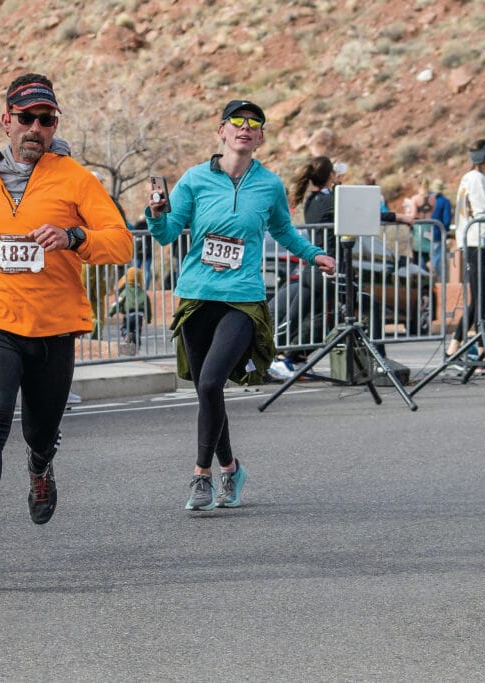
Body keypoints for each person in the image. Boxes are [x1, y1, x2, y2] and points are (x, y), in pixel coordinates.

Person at [0, 73, 133, 582]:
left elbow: (120, 242)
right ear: (6, 120)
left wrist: (73, 236)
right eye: (25, 118)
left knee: (39, 431)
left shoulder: (75, 178)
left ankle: (41, 466)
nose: (35, 128)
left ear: (54, 126)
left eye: (45, 120)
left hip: (53, 328)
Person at [145, 100, 336, 511]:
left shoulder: (268, 185)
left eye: (254, 124)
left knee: (212, 383)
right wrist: (157, 214)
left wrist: (314, 254)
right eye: (237, 121)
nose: (245, 128)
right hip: (197, 296)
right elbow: (166, 234)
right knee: (206, 392)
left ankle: (201, 477)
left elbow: (284, 231)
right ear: (222, 131)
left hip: (243, 299)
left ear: (261, 136)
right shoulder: (195, 179)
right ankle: (231, 469)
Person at [268, 155, 407, 380]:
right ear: (330, 175)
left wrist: (335, 183)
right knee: (371, 308)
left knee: (306, 319)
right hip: (329, 270)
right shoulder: (329, 200)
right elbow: (365, 211)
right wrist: (399, 216)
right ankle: (381, 364)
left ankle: (288, 359)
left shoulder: (313, 199)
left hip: (314, 271)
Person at [448, 139, 485, 358]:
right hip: (479, 242)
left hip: (472, 242)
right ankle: (483, 352)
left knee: (479, 298)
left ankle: (456, 345)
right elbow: (482, 212)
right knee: (484, 299)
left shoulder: (469, 177)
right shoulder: (477, 179)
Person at [107, 265, 150, 356]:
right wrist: (148, 318)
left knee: (125, 328)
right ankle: (136, 347)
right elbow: (148, 306)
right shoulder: (142, 292)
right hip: (139, 316)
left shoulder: (125, 292)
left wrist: (111, 313)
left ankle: (126, 334)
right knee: (137, 331)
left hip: (128, 315)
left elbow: (117, 303)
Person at [428, 178, 453, 277]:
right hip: (438, 234)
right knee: (437, 259)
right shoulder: (445, 201)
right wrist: (446, 230)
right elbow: (446, 220)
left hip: (424, 233)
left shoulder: (428, 200)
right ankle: (437, 282)